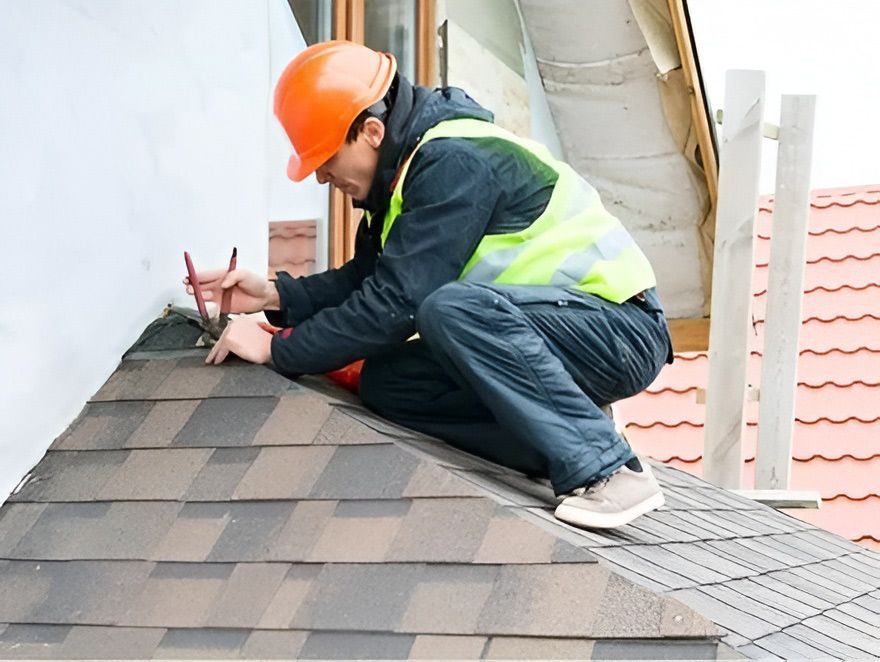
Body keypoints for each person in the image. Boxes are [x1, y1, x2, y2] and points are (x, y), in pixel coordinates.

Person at [187, 40, 674, 529]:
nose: (321, 178)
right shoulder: (403, 183)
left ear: (372, 131)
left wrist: (279, 352)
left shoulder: (454, 162)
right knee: (390, 382)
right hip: (553, 337)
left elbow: (395, 305)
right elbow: (370, 281)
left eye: (327, 159)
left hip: (620, 330)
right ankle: (562, 436)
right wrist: (276, 297)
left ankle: (611, 472)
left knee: (448, 309)